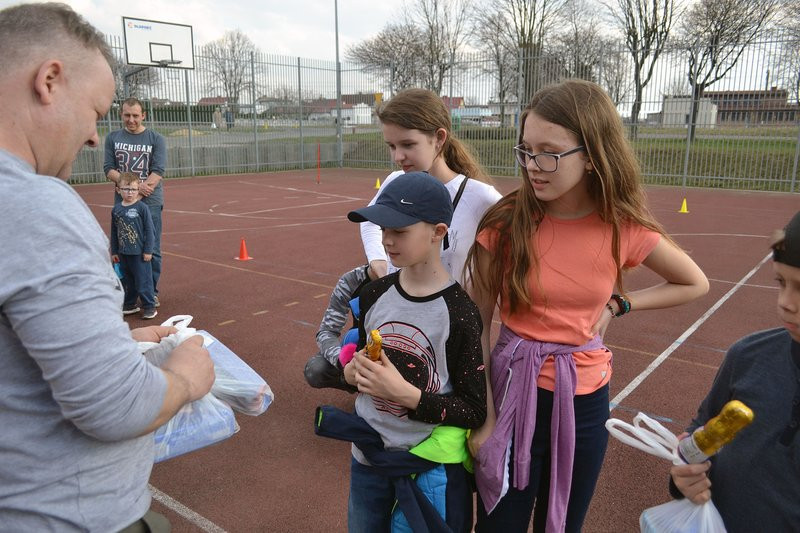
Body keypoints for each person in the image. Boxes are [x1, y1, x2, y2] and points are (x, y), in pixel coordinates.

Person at [0, 4, 214, 531]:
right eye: (96, 111)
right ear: (49, 81)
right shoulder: (35, 205)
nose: (96, 136)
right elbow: (114, 407)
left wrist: (114, 341)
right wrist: (186, 378)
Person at [464, 79, 709, 533]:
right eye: (526, 150)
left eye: (550, 153)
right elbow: (474, 326)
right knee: (502, 524)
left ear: (592, 155)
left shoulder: (622, 226)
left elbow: (693, 281)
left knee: (563, 525)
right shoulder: (505, 222)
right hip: (513, 395)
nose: (534, 166)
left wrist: (620, 303)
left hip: (585, 401)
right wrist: (485, 417)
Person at [323, 172, 487, 532]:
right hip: (367, 458)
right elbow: (366, 363)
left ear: (438, 232)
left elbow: (473, 409)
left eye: (399, 230)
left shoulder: (459, 313)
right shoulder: (373, 295)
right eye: (383, 229)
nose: (386, 240)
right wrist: (351, 374)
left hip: (424, 466)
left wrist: (408, 395)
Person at [668, 210, 800, 533]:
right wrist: (685, 478)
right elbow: (700, 433)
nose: (786, 303)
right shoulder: (747, 357)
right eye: (781, 282)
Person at [361, 88, 502, 283]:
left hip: (453, 313)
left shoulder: (482, 198)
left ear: (439, 138)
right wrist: (378, 260)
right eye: (392, 146)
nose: (397, 157)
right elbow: (369, 221)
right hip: (395, 311)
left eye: (408, 144)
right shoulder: (395, 182)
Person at [104, 96, 166, 306]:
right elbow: (109, 169)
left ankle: (151, 292)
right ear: (121, 114)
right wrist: (131, 189)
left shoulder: (156, 139)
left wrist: (136, 194)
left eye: (135, 116)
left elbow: (157, 172)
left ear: (143, 116)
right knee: (124, 249)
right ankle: (129, 295)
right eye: (127, 115)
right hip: (122, 203)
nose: (131, 120)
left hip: (150, 202)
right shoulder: (112, 138)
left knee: (152, 249)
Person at [303, 263, 377, 391]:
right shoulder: (351, 280)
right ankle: (360, 388)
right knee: (316, 369)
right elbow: (327, 331)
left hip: (399, 352)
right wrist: (343, 362)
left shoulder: (409, 279)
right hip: (361, 348)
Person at [111, 172, 157, 320]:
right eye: (126, 189)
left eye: (133, 189)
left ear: (138, 190)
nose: (129, 193)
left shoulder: (142, 208)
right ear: (118, 190)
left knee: (143, 281)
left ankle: (149, 306)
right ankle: (130, 304)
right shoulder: (116, 209)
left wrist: (148, 250)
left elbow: (150, 231)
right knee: (127, 281)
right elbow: (114, 232)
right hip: (123, 254)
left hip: (139, 254)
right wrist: (115, 251)